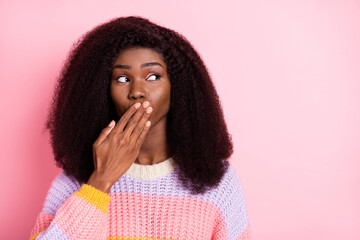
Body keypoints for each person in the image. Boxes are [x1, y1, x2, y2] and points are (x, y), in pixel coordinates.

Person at [30, 16, 251, 240]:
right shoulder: (76, 181)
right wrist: (100, 182)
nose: (137, 91)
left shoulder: (218, 182)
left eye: (153, 76)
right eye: (123, 78)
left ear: (178, 86)